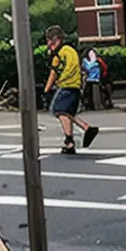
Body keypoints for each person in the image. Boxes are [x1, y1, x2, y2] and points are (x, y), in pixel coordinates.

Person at [43, 25, 100, 155]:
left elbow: (54, 72)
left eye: (48, 39)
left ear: (55, 39)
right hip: (76, 86)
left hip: (65, 85)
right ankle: (86, 128)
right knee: (68, 113)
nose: (47, 43)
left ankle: (69, 142)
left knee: (59, 111)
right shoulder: (70, 50)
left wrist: (47, 89)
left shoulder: (58, 53)